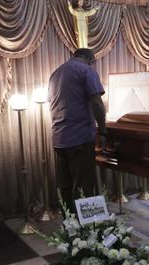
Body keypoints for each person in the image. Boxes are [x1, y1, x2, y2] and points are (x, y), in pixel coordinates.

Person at [48, 48, 106, 211]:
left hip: (59, 138)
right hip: (80, 137)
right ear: (89, 59)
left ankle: (70, 228)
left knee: (65, 187)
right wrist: (102, 131)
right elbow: (96, 103)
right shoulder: (86, 71)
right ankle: (88, 230)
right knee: (85, 187)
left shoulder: (56, 73)